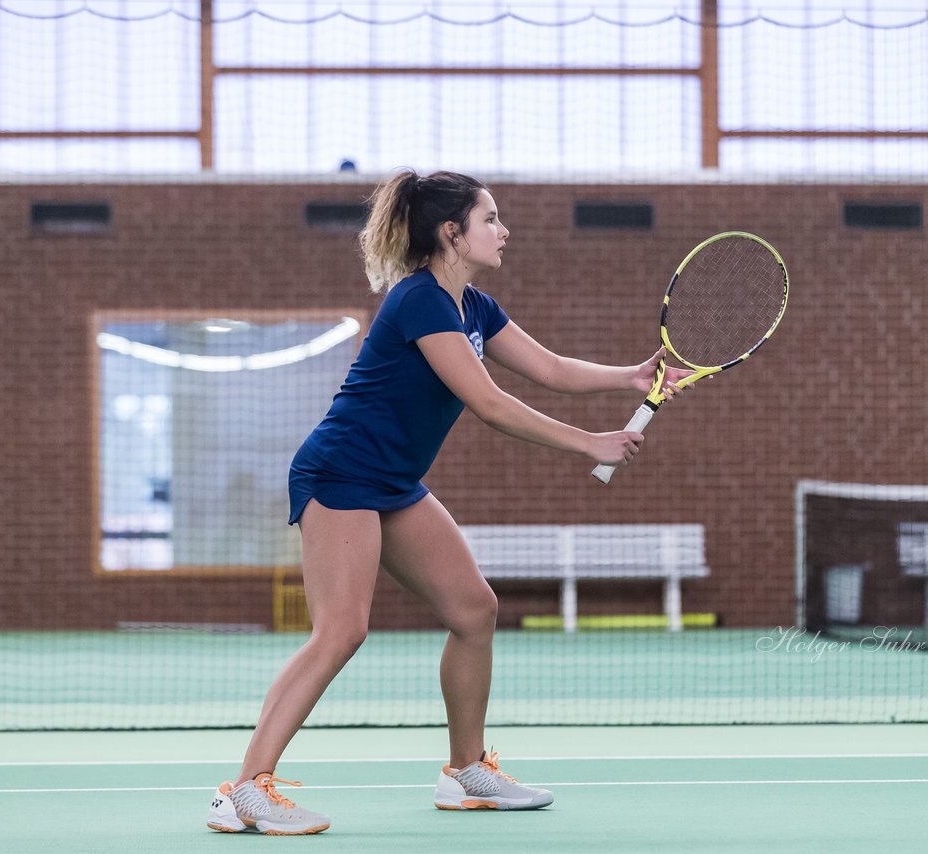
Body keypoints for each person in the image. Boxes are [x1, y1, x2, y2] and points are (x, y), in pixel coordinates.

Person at [206, 169, 688, 835]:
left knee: (473, 610)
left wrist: (629, 375)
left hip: (395, 484)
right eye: (491, 218)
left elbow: (548, 369)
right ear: (450, 232)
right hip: (341, 475)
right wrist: (588, 444)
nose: (504, 230)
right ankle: (244, 792)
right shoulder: (418, 302)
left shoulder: (475, 309)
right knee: (341, 630)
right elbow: (487, 401)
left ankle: (466, 774)